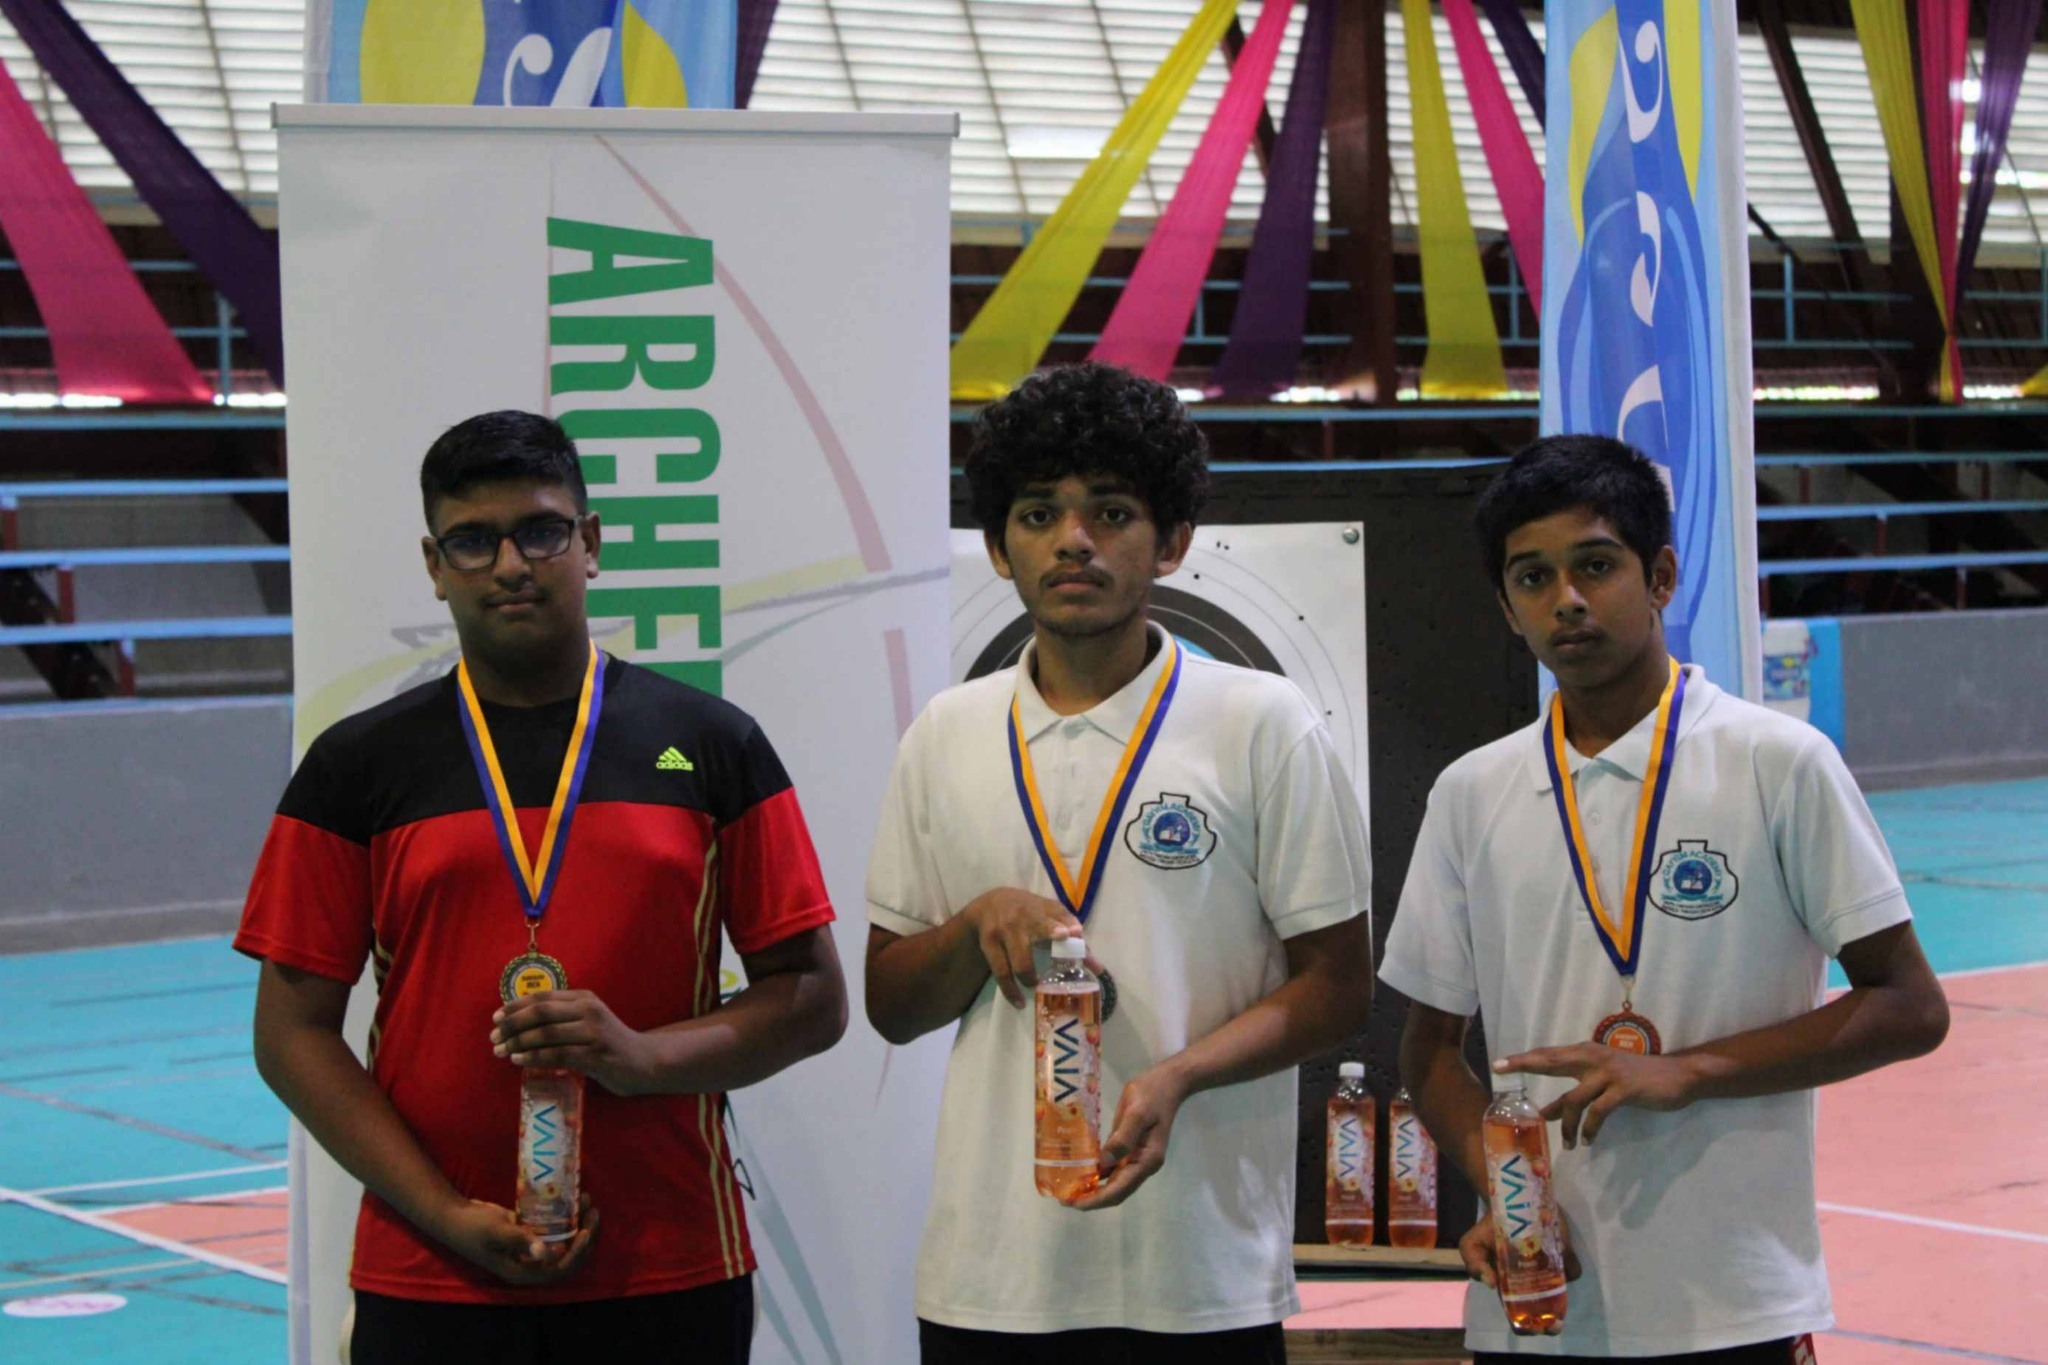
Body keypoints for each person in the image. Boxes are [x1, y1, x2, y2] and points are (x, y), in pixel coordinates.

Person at [237, 410, 847, 1365]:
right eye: (474, 541)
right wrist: (442, 1211)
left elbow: (811, 996)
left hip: (671, 1262)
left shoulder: (716, 744)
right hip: (433, 1263)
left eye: (542, 530)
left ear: (591, 543)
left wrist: (642, 1056)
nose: (511, 564)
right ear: (435, 565)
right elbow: (290, 1032)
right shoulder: (356, 765)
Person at [1380, 434, 1951, 1364]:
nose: (1566, 598)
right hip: (1539, 1302)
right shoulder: (1471, 792)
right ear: (1506, 607)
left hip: (1732, 1299)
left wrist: (1693, 1069)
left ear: (1662, 576)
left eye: (1596, 565)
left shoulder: (1777, 764)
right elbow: (1429, 1049)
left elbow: (1910, 1005)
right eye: (1532, 578)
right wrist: (1506, 1193)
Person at [864, 363, 1374, 1364]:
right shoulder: (944, 731)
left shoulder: (1259, 722)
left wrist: (1179, 1075)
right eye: (1037, 513)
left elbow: (1337, 988)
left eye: (1109, 511)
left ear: (1172, 541)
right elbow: (891, 1002)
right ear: (997, 547)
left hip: (1198, 1272)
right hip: (992, 1280)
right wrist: (974, 927)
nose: (1072, 540)